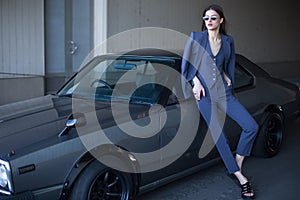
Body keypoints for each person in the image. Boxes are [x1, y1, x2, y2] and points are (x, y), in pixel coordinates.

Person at [181, 4, 259, 199]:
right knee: (219, 135)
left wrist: (226, 75)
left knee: (251, 126)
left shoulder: (228, 41)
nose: (209, 21)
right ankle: (242, 178)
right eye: (206, 18)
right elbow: (187, 62)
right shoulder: (196, 38)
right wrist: (194, 81)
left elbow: (228, 62)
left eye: (213, 18)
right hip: (204, 96)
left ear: (221, 20)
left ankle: (236, 164)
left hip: (224, 93)